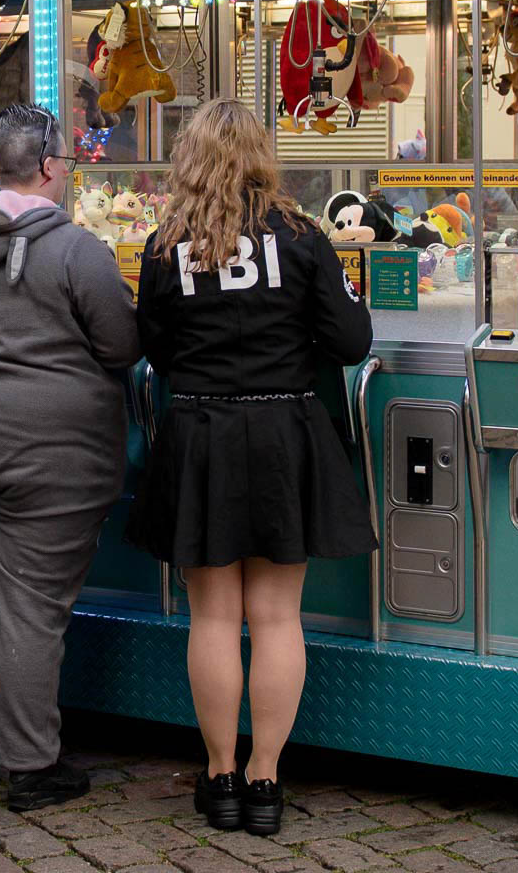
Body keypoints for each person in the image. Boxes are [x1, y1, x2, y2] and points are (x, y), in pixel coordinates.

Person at [126, 98, 373, 838]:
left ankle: (221, 776)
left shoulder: (166, 245)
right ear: (263, 156)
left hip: (199, 433)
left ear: (190, 159)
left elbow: (155, 347)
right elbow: (351, 340)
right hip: (282, 433)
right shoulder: (301, 237)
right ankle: (265, 780)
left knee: (211, 616)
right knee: (275, 617)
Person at [0, 103, 140, 812]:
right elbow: (121, 346)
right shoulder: (78, 251)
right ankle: (31, 765)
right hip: (52, 449)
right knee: (32, 603)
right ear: (47, 169)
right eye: (65, 161)